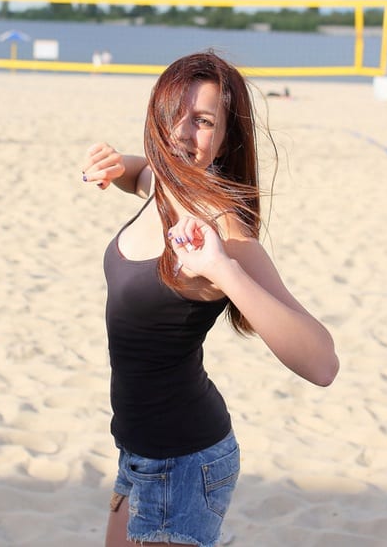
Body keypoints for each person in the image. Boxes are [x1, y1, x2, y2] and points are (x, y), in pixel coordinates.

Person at [80, 51, 339, 547]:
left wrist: (223, 270)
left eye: (202, 122)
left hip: (183, 463)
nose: (180, 134)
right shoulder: (163, 181)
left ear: (224, 139)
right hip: (136, 451)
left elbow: (322, 362)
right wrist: (115, 167)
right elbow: (142, 176)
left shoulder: (224, 227)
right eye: (174, 114)